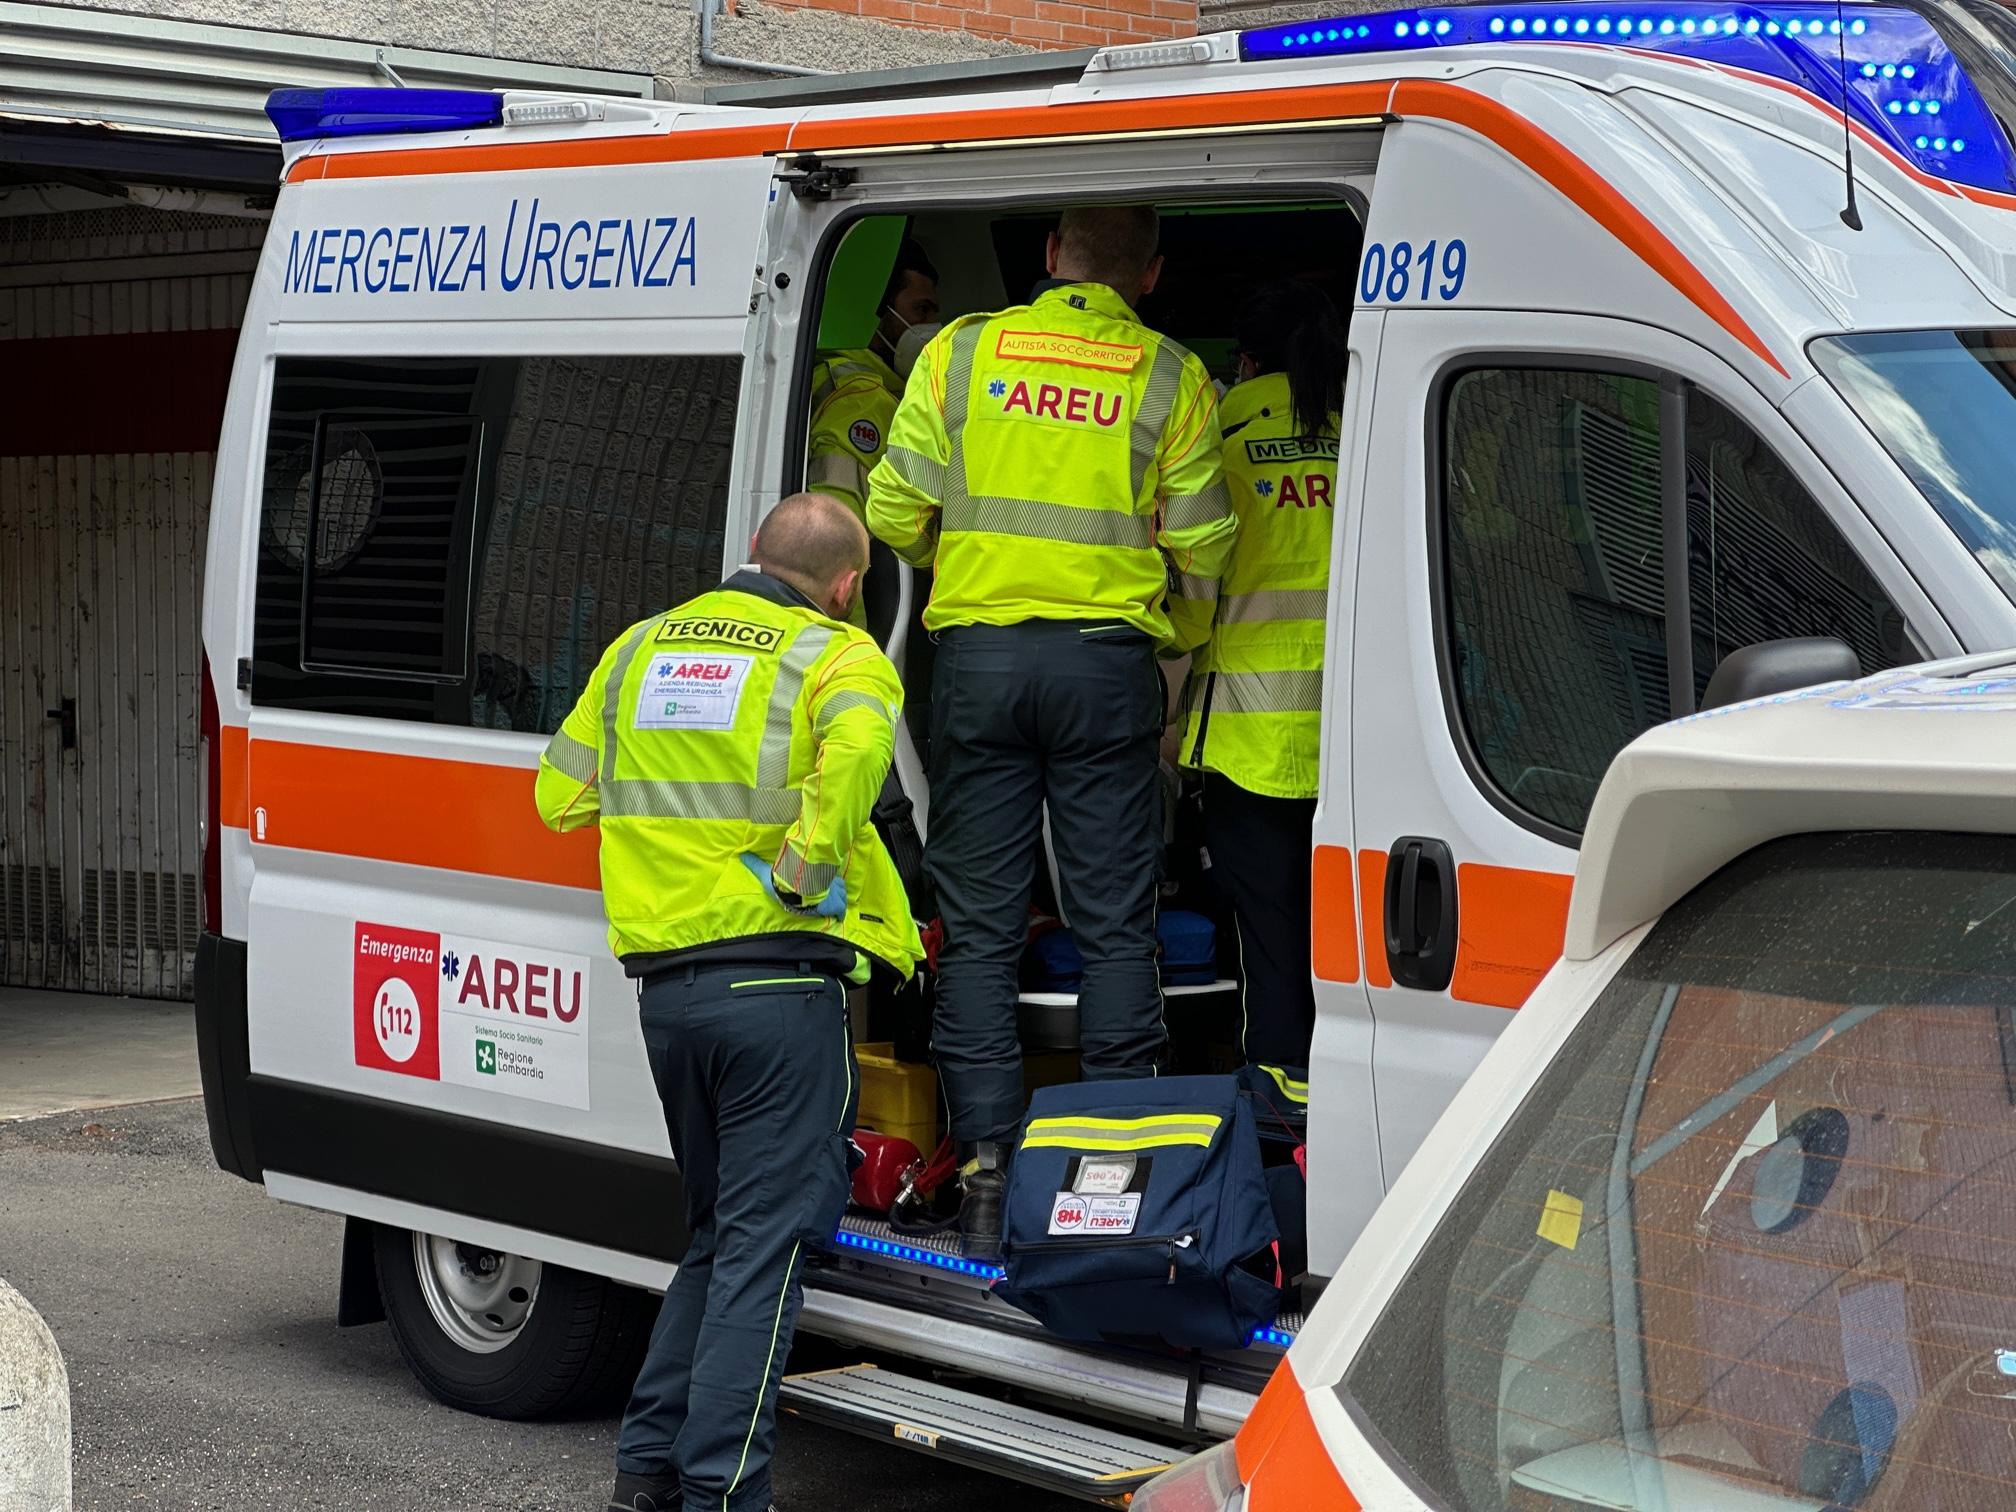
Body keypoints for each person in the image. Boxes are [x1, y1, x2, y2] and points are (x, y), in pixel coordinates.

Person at [533, 492, 922, 1512]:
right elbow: (852, 779)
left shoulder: (636, 650)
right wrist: (797, 872)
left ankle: (647, 1477)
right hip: (779, 992)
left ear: (750, 552)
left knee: (714, 1241)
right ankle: (720, 1494)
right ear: (847, 585)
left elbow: (557, 795)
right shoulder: (841, 657)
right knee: (765, 1256)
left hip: (668, 997)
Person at [865, 204, 1237, 1259]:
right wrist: (1181, 641)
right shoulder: (1172, 376)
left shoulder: (961, 353)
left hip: (980, 666)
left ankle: (986, 1179)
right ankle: (1112, 1172)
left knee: (980, 931)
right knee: (1116, 923)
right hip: (1108, 666)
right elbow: (1207, 538)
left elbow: (893, 514)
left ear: (1047, 258)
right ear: (1152, 274)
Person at [1180, 281, 1348, 1116]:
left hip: (1249, 730)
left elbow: (1191, 577)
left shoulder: (1219, 432)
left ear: (1244, 361)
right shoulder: (1363, 428)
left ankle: (1283, 1084)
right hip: (1357, 730)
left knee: (1269, 926)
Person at [805, 238, 941, 526]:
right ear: (879, 314)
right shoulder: (861, 397)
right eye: (922, 309)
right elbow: (834, 524)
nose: (933, 326)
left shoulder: (831, 368)